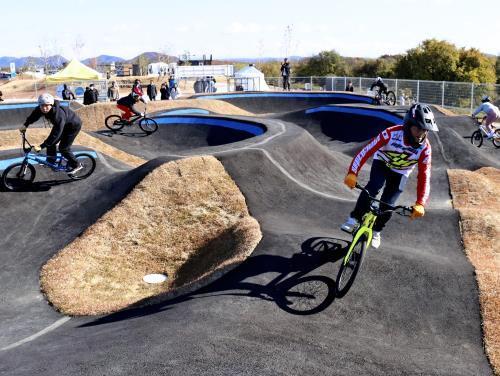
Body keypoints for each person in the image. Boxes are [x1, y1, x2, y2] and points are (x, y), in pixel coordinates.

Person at [340, 103, 439, 249]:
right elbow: (366, 151)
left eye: (425, 130)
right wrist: (352, 173)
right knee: (372, 188)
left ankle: (376, 231)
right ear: (408, 124)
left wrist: (420, 203)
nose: (421, 134)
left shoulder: (426, 149)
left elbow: (425, 176)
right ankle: (354, 218)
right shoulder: (391, 133)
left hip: (401, 172)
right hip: (382, 163)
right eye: (418, 128)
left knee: (388, 205)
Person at [19, 93, 83, 175]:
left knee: (63, 148)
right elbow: (33, 116)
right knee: (50, 143)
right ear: (39, 105)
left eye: (47, 105)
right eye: (42, 105)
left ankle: (76, 164)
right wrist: (25, 125)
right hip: (62, 125)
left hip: (73, 126)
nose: (44, 108)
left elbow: (56, 134)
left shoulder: (58, 115)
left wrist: (41, 146)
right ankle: (51, 161)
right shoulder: (40, 109)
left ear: (51, 105)